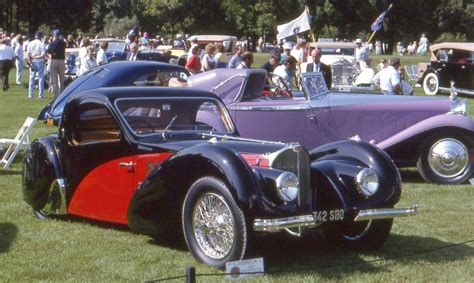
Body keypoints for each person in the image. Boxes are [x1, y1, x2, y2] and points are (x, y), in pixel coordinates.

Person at [26, 31, 46, 98]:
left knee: (31, 78)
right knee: (41, 78)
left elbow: (28, 55)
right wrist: (37, 56)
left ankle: (30, 94)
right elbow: (43, 55)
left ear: (35, 36)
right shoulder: (42, 44)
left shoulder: (30, 43)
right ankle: (41, 95)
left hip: (32, 61)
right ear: (41, 37)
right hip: (40, 61)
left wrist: (30, 62)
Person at [47, 29, 66, 98]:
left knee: (54, 80)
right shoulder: (63, 43)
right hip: (61, 61)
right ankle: (62, 94)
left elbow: (49, 51)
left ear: (54, 35)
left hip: (54, 60)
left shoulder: (52, 43)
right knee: (62, 79)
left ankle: (55, 95)